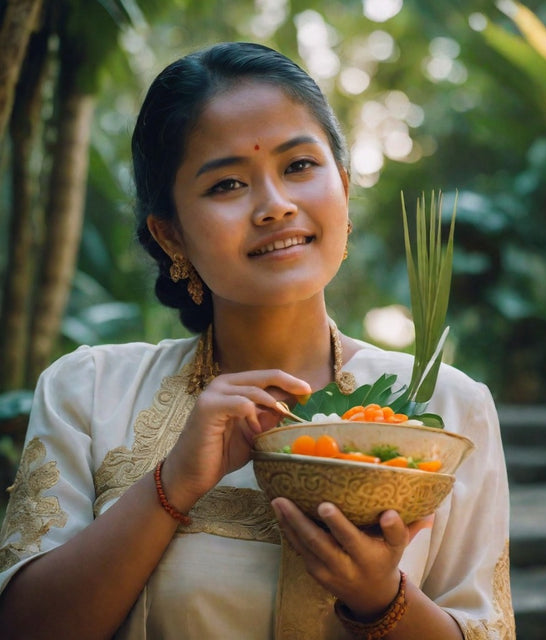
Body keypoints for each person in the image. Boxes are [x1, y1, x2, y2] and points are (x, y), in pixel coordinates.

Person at [0, 42, 514, 639]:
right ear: (171, 236)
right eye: (226, 185)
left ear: (343, 189)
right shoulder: (90, 391)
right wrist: (172, 485)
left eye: (299, 167)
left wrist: (380, 598)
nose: (276, 206)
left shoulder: (447, 408)